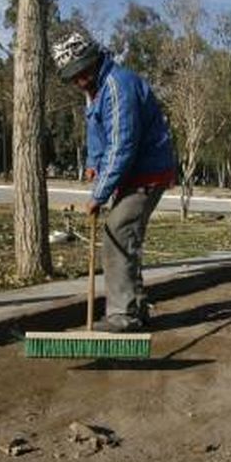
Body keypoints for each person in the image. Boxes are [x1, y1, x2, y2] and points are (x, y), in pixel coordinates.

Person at [52, 29, 176, 332]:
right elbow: (96, 131)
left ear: (93, 59)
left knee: (118, 231)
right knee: (124, 234)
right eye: (72, 76)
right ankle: (136, 305)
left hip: (148, 172)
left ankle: (124, 315)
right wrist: (94, 163)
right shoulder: (94, 90)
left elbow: (123, 145)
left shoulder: (117, 85)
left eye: (82, 72)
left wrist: (100, 194)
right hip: (133, 172)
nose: (79, 80)